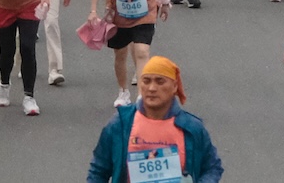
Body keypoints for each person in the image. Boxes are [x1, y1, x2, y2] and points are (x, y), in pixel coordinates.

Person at [86, 56, 224, 183]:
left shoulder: (192, 128)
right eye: (146, 81)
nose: (152, 88)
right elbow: (98, 171)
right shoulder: (120, 124)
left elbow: (212, 167)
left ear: (174, 87)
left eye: (160, 82)